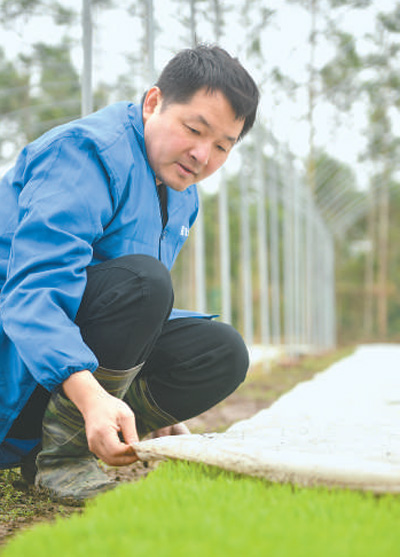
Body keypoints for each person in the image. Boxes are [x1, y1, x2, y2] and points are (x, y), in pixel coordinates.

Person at [0, 44, 259, 502]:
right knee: (146, 282)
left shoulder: (181, 193)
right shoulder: (83, 153)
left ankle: (78, 436)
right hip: (15, 365)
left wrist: (155, 404)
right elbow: (32, 296)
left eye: (223, 145)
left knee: (221, 351)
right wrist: (93, 395)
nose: (203, 155)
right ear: (154, 102)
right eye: (194, 130)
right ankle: (60, 457)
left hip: (60, 371)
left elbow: (133, 311)